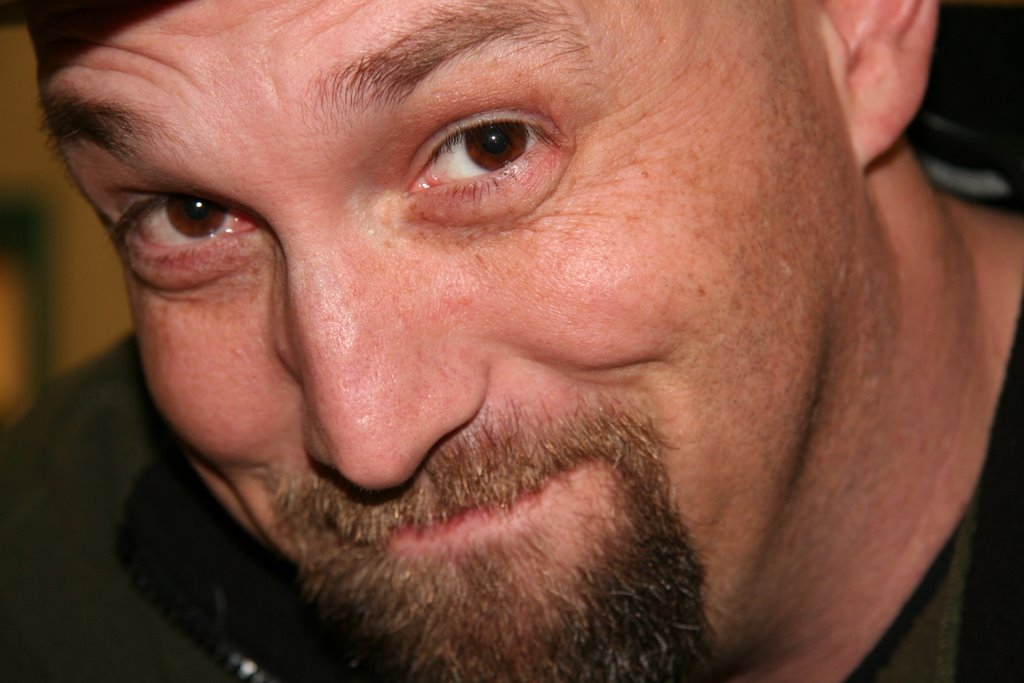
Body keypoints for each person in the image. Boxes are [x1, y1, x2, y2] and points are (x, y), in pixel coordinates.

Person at [1, 0, 1022, 681]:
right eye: (189, 215)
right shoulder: (54, 581)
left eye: (488, 146)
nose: (365, 437)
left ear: (857, 29)